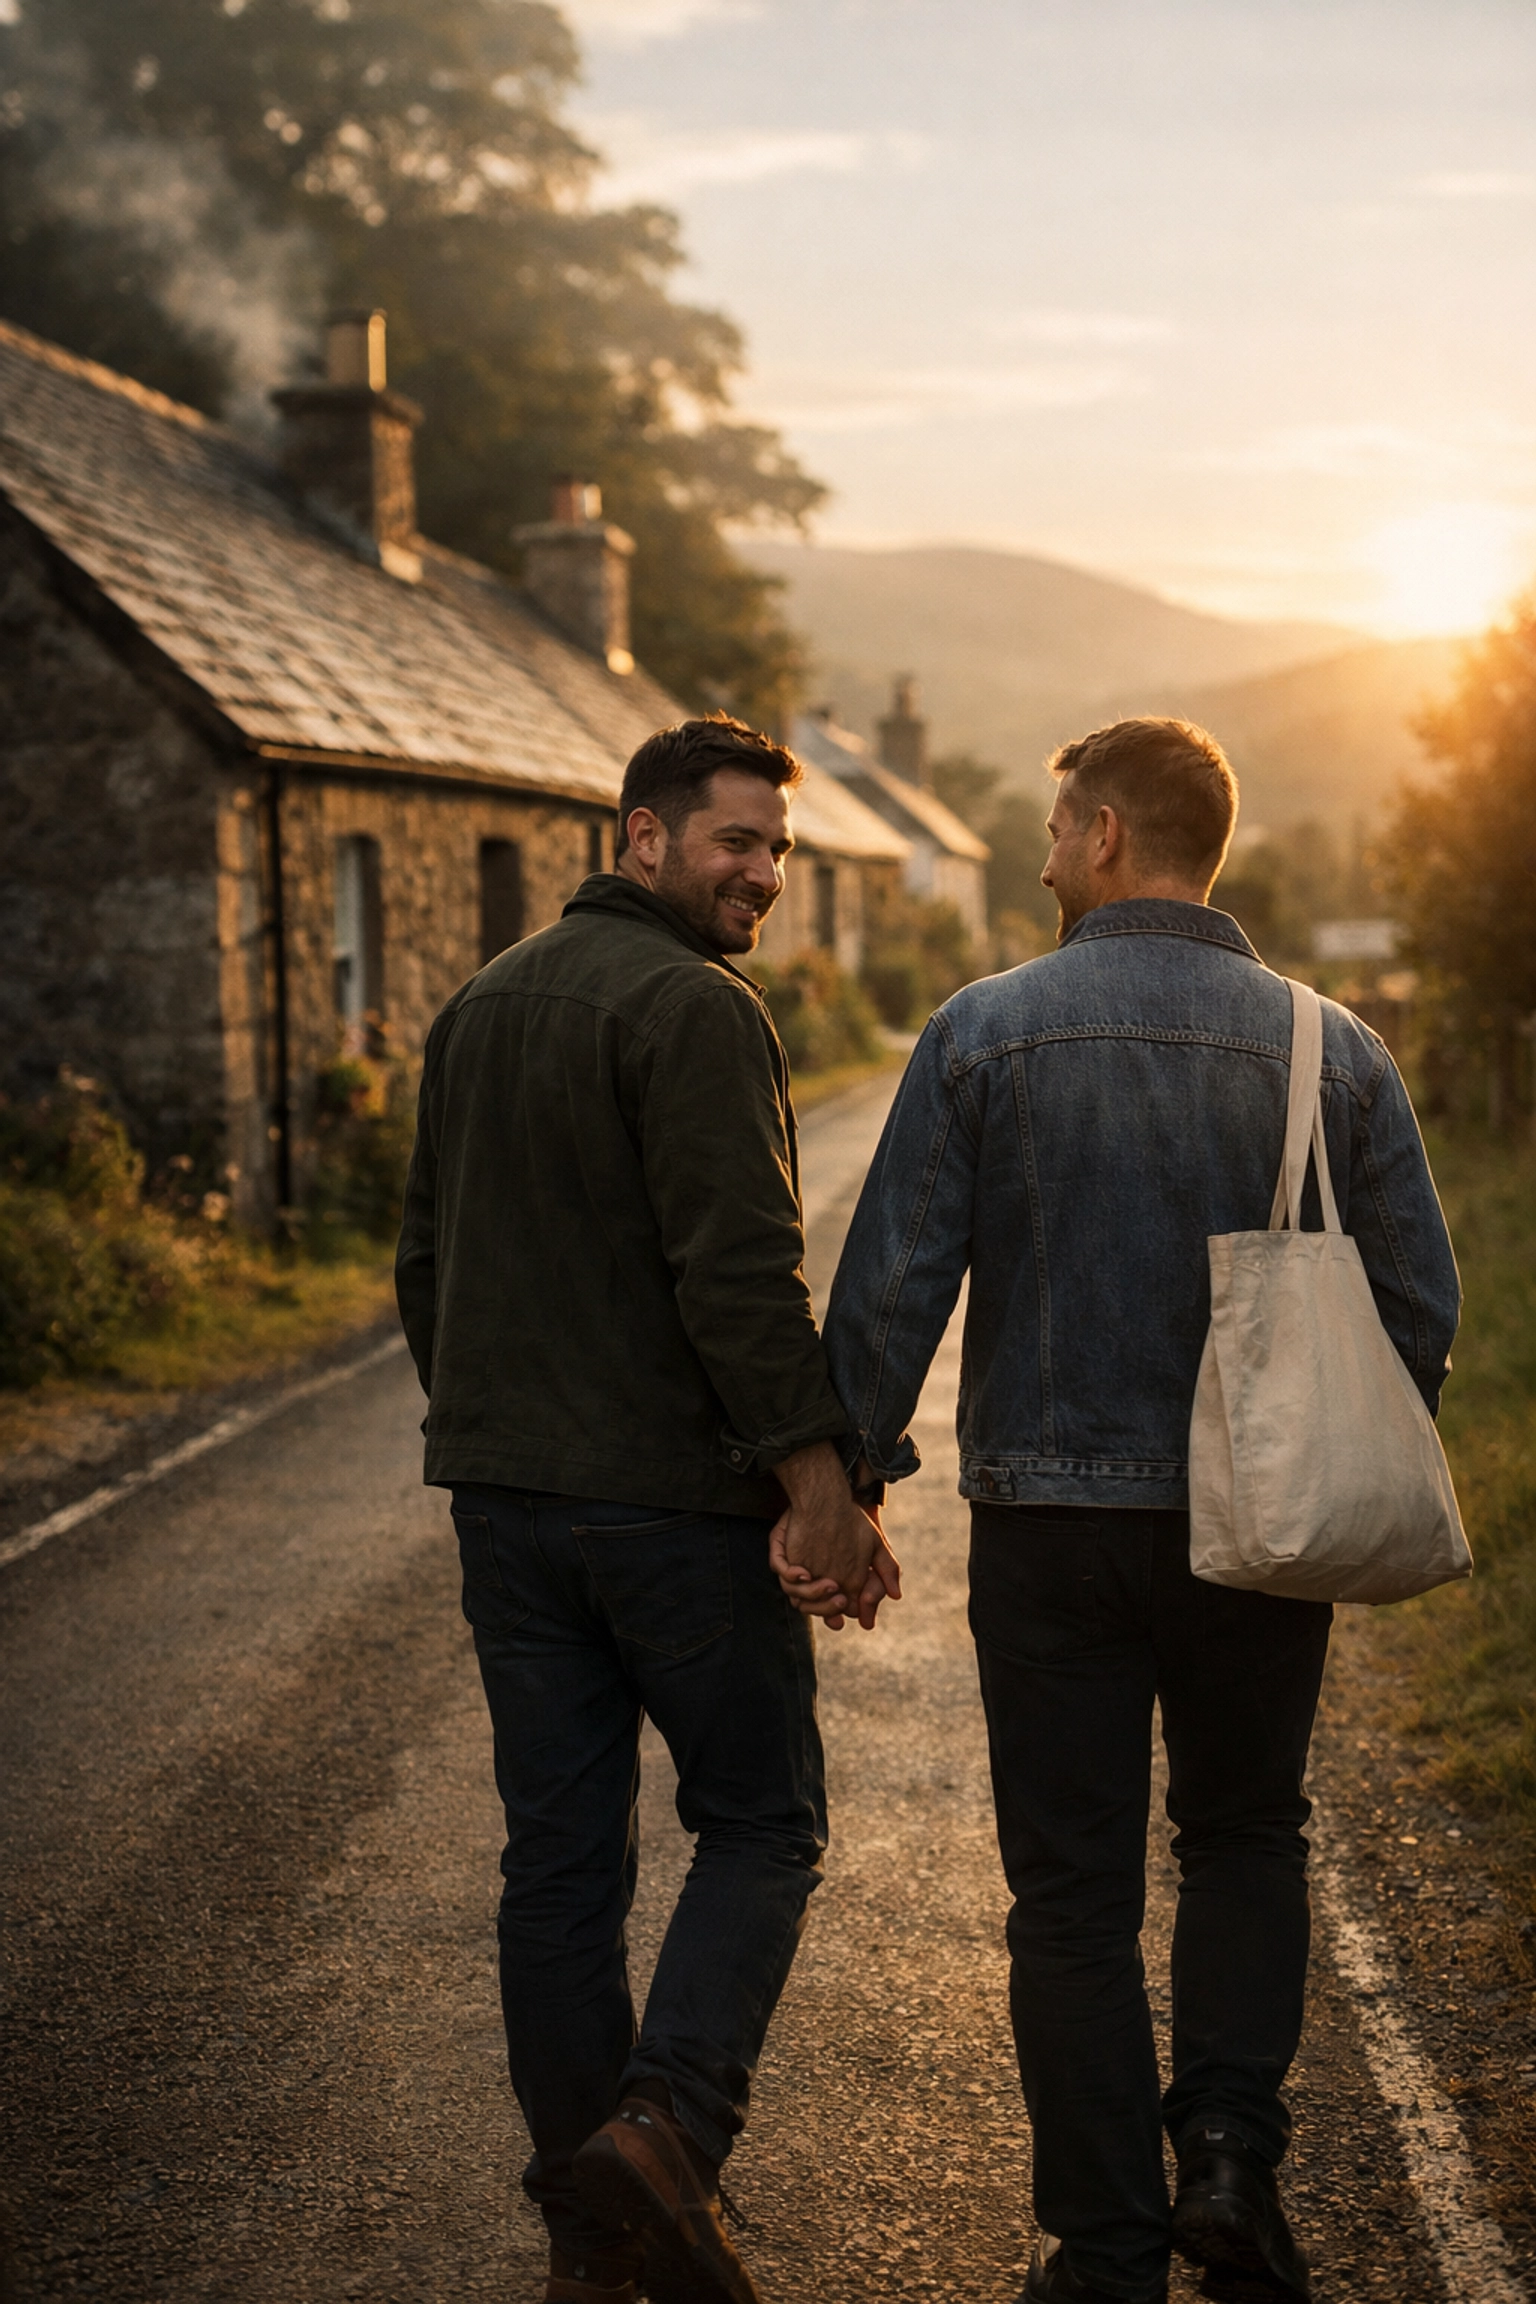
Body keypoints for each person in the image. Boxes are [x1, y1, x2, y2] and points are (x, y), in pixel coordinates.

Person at [807, 718, 1460, 2304]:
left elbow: (891, 1295)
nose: (1035, 862)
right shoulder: (1335, 1049)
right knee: (1245, 1832)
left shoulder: (982, 1030)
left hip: (1049, 1528)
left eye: (1048, 832)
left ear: (1104, 833)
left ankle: (1103, 2251)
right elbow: (1419, 1309)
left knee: (1074, 1891)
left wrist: (840, 1488)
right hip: (1261, 1531)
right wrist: (1315, 1457)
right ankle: (1230, 2163)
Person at [395, 714, 895, 2304]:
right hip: (672, 1516)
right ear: (642, 840)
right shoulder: (697, 1007)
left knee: (559, 1863)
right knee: (762, 1819)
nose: (763, 875)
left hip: (506, 1509)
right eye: (736, 842)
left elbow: (425, 1270)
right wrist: (817, 1485)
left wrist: (495, 1427)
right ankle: (666, 2134)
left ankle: (586, 2234)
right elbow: (743, 1278)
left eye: (778, 850)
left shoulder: (475, 1007)